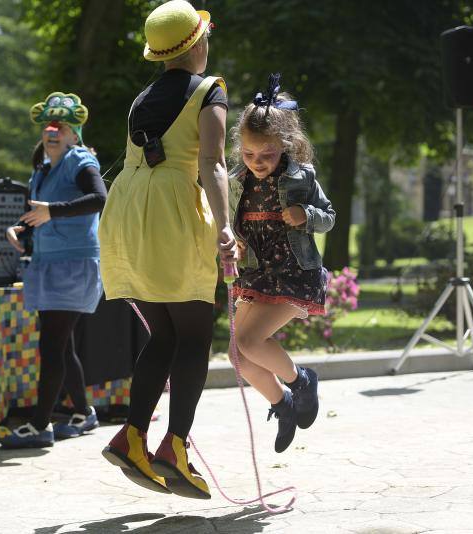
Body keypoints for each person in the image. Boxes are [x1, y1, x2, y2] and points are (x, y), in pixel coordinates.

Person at [98, 0, 236, 499]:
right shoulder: (210, 90)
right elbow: (212, 163)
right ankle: (174, 446)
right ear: (197, 44)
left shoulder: (141, 98)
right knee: (196, 334)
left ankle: (132, 436)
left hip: (131, 210)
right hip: (175, 213)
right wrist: (226, 228)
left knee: (164, 335)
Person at [0, 92, 106, 448]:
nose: (53, 130)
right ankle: (84, 414)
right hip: (47, 264)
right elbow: (40, 214)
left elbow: (98, 199)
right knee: (62, 345)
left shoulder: (80, 160)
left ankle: (40, 425)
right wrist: (21, 230)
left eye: (63, 126)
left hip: (74, 265)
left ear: (74, 135)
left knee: (52, 345)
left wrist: (51, 211)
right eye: (48, 126)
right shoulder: (42, 169)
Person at [228, 74, 335, 454]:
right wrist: (234, 241)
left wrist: (305, 213)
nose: (257, 162)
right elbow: (229, 223)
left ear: (284, 145)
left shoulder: (301, 177)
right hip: (257, 273)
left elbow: (329, 217)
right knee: (238, 355)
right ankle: (282, 405)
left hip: (294, 272)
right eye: (248, 154)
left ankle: (302, 381)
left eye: (267, 155)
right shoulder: (236, 181)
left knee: (249, 341)